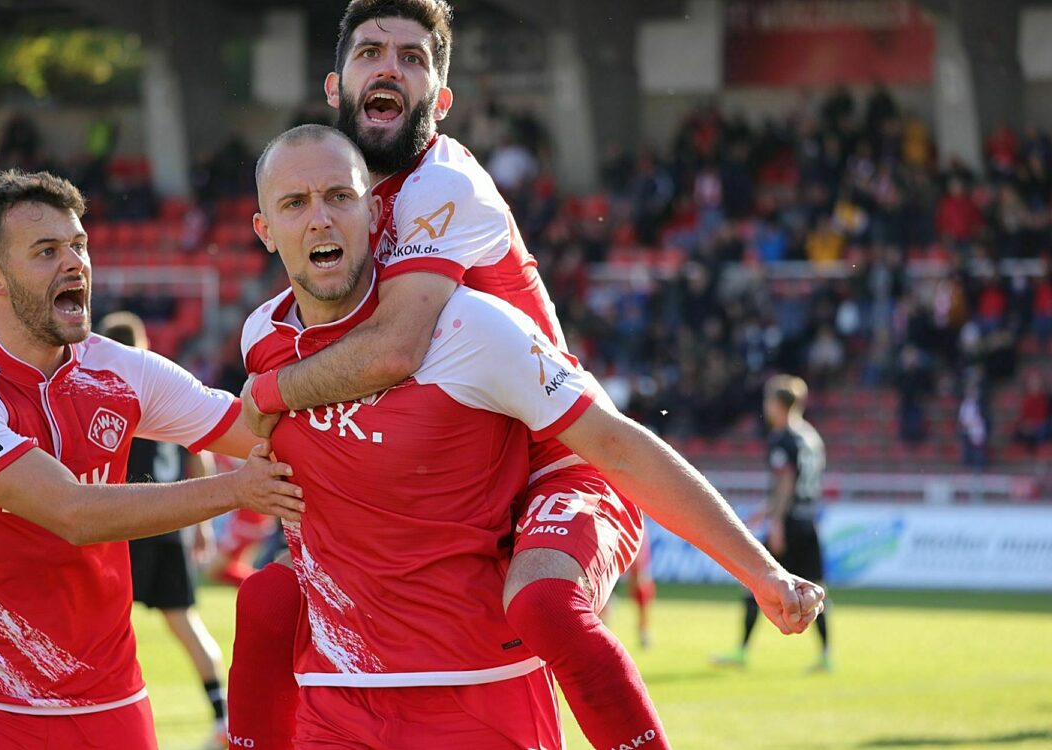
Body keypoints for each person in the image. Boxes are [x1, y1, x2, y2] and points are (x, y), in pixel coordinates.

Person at [229, 124, 825, 748]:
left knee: (545, 603)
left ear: (375, 210)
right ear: (265, 229)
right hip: (339, 698)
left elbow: (618, 448)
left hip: (479, 689)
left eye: (338, 196)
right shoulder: (261, 342)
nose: (319, 219)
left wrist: (761, 573)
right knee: (268, 596)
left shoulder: (471, 327)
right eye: (295, 204)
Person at [235, 3, 666, 747]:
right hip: (461, 471)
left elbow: (395, 349)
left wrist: (265, 396)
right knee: (270, 601)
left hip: (558, 461)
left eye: (412, 57)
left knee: (545, 607)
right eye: (372, 52)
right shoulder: (346, 206)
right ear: (336, 85)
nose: (390, 67)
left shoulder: (441, 184)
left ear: (442, 98)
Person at [0, 169, 302, 750]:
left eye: (79, 245)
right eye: (47, 251)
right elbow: (72, 512)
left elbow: (253, 428)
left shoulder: (121, 369)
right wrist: (239, 490)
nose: (75, 264)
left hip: (109, 693)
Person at [98, 311, 230, 750]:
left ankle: (90, 713)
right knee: (185, 624)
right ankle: (224, 715)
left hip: (124, 522)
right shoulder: (164, 385)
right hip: (169, 523)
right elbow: (203, 454)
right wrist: (202, 526)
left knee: (99, 627)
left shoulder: (104, 389)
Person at [713, 374, 831, 672]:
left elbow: (786, 481)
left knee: (758, 582)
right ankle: (827, 655)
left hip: (789, 523)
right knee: (814, 588)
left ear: (779, 404)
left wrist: (775, 521)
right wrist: (765, 511)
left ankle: (741, 651)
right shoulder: (811, 437)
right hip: (808, 520)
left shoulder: (782, 438)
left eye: (769, 401)